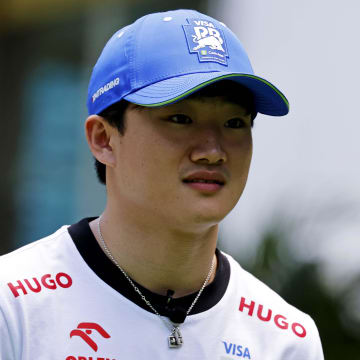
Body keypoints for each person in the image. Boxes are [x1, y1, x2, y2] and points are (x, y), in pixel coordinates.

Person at [0, 9, 324, 359]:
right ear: (104, 139)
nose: (213, 151)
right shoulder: (14, 305)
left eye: (234, 123)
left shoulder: (284, 339)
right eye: (181, 118)